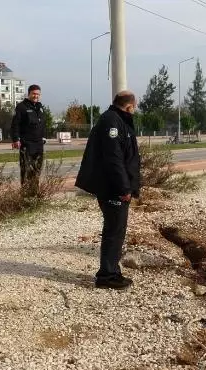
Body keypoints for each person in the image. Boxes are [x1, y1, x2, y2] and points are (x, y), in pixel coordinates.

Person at [75, 91, 140, 290]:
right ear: (129, 106)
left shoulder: (118, 120)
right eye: (134, 107)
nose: (134, 110)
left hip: (116, 187)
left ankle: (112, 270)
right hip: (114, 189)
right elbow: (114, 159)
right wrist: (124, 188)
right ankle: (107, 276)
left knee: (116, 230)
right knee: (114, 231)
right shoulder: (112, 122)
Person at [11, 84, 46, 196]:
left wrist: (44, 136)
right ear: (29, 94)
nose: (36, 96)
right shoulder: (22, 107)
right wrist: (16, 139)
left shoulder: (40, 107)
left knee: (37, 169)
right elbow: (15, 124)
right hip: (27, 143)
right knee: (26, 169)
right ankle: (25, 195)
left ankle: (34, 193)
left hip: (39, 144)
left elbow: (43, 124)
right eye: (34, 94)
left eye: (38, 94)